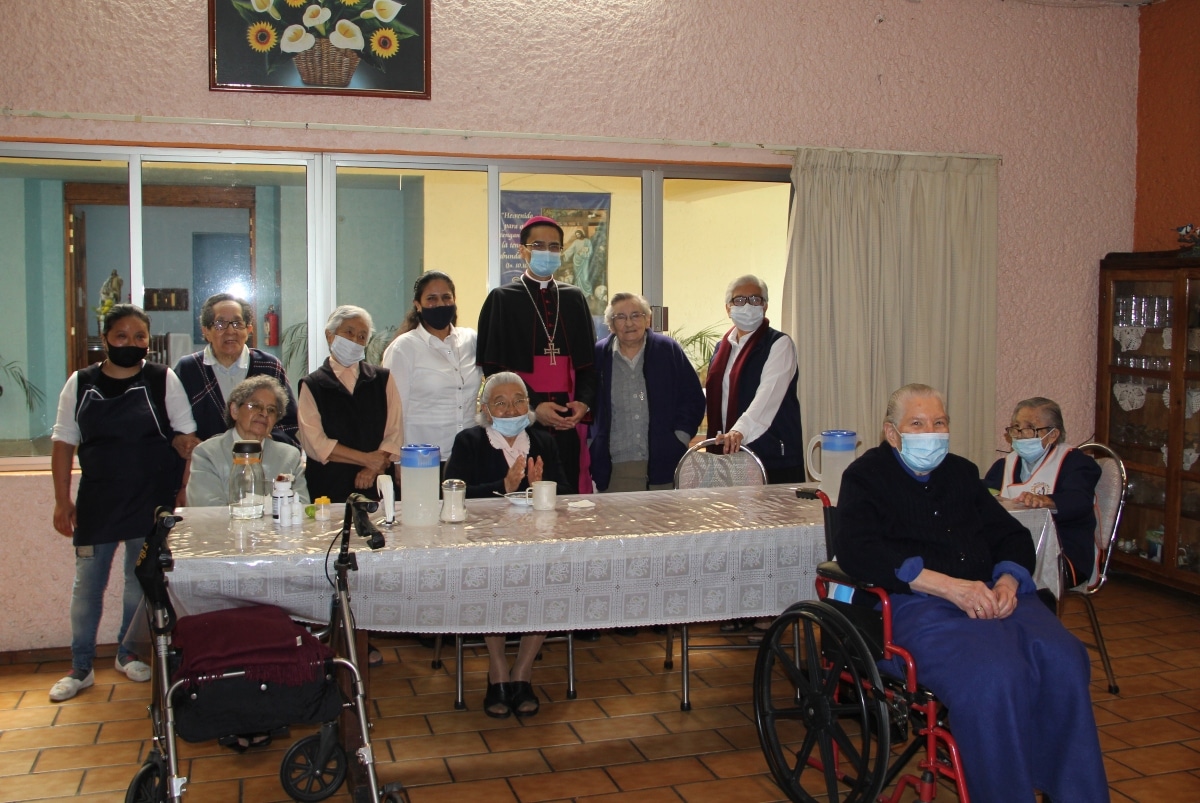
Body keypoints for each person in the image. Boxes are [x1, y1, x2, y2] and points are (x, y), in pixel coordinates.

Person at [836, 383, 1108, 803]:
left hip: (990, 595)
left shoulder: (961, 473)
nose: (931, 432)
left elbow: (1011, 535)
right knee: (995, 675)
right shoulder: (866, 477)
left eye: (939, 422)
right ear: (892, 433)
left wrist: (1008, 581)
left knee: (1066, 658)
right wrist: (948, 586)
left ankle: (1075, 793)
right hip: (920, 605)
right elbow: (858, 549)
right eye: (918, 423)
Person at [49, 304, 200, 701]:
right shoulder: (80, 383)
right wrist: (61, 501)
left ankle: (126, 651)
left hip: (151, 500)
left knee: (139, 584)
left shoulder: (162, 379)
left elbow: (186, 436)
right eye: (122, 337)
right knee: (87, 587)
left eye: (140, 338)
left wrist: (184, 486)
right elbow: (64, 442)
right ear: (105, 340)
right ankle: (80, 666)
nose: (131, 344)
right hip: (97, 501)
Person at [444, 373, 570, 718]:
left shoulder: (543, 440)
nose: (511, 407)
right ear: (486, 409)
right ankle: (497, 669)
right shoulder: (469, 441)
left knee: (549, 582)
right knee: (491, 583)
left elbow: (567, 493)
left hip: (538, 541)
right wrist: (504, 484)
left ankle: (523, 671)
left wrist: (541, 487)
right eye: (500, 402)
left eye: (519, 400)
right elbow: (454, 492)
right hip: (485, 542)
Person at [477, 215, 597, 493]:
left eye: (554, 247)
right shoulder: (502, 298)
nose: (548, 252)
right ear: (522, 250)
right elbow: (493, 367)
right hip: (521, 419)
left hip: (568, 417)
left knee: (567, 491)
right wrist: (535, 407)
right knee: (524, 490)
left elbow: (588, 363)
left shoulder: (574, 297)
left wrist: (583, 403)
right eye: (539, 245)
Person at [590, 292, 705, 492]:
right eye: (621, 317)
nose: (629, 323)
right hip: (614, 469)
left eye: (636, 315)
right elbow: (586, 403)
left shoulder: (667, 350)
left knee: (663, 523)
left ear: (647, 319)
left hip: (664, 465)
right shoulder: (599, 355)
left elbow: (692, 398)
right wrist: (592, 442)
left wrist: (679, 438)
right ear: (610, 324)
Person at [984, 397, 1102, 588]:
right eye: (1016, 428)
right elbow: (985, 493)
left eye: (1030, 428)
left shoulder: (1076, 463)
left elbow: (1079, 501)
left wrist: (1046, 501)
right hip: (1009, 547)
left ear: (1053, 434)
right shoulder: (1004, 465)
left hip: (1063, 552)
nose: (1020, 435)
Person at [298, 305, 403, 503]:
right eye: (349, 333)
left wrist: (373, 468)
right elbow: (316, 444)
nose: (355, 340)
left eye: (362, 336)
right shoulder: (312, 385)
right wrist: (368, 460)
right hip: (328, 489)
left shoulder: (382, 379)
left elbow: (394, 433)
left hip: (377, 486)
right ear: (330, 336)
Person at [705, 275, 804, 483]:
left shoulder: (779, 344)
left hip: (771, 457)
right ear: (728, 308)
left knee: (774, 516)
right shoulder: (721, 349)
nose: (748, 305)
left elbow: (767, 396)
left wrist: (739, 431)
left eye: (755, 299)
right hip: (727, 457)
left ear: (765, 306)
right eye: (739, 300)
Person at [380, 271, 482, 467]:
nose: (440, 304)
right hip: (421, 459)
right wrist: (398, 461)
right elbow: (395, 411)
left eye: (446, 297)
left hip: (470, 455)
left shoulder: (470, 340)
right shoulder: (404, 348)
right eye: (431, 299)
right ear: (417, 305)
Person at [174, 293, 299, 445]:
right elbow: (172, 424)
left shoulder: (269, 366)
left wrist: (266, 440)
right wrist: (179, 441)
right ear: (206, 331)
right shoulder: (188, 368)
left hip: (261, 461)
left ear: (249, 329)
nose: (230, 331)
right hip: (207, 464)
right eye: (220, 324)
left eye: (237, 323)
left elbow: (290, 425)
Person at [186, 375, 310, 507]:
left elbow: (301, 507)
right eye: (255, 406)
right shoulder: (207, 454)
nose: (264, 414)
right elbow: (207, 509)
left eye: (271, 410)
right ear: (234, 410)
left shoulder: (289, 457)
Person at [562, 228, 594, 297]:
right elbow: (570, 250)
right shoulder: (576, 242)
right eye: (576, 235)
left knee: (585, 277)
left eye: (579, 234)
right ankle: (579, 292)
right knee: (578, 277)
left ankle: (588, 292)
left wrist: (584, 255)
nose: (578, 236)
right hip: (577, 261)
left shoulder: (587, 241)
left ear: (581, 234)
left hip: (585, 260)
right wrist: (565, 254)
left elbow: (590, 251)